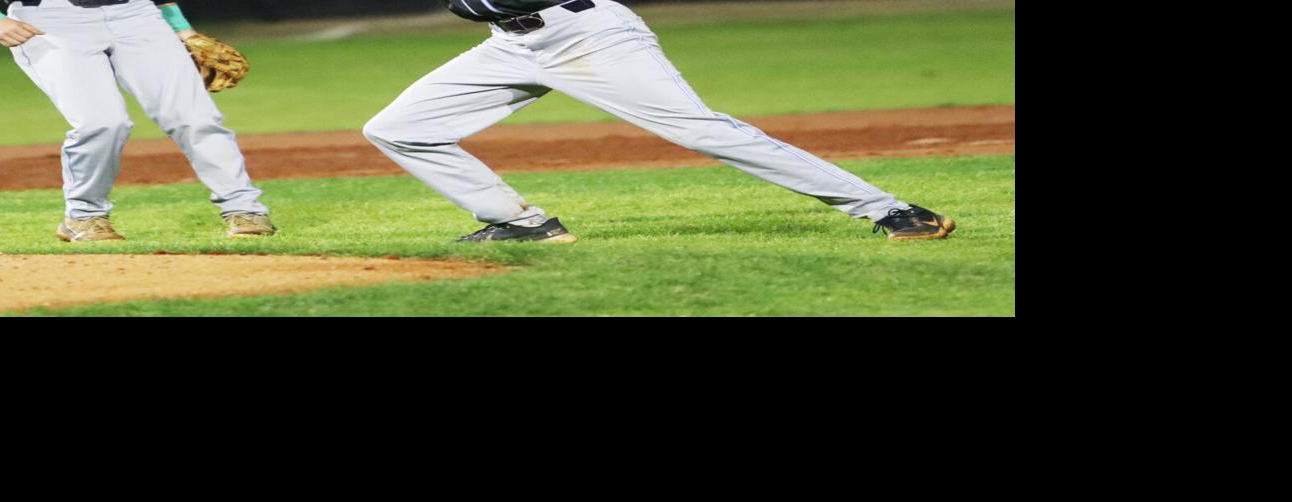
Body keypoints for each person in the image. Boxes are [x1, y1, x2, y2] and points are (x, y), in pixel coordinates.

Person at [364, 0, 956, 243]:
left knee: (699, 129)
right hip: (511, 44)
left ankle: (892, 210)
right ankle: (522, 224)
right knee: (399, 127)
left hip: (587, 34)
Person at [0, 0, 277, 241]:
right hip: (49, 19)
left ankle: (245, 209)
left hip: (138, 15)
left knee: (194, 116)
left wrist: (181, 27)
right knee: (101, 123)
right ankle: (84, 216)